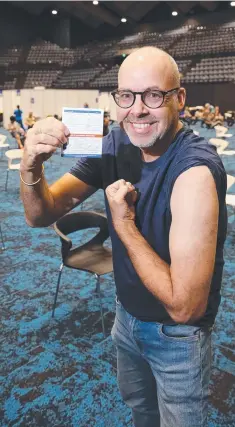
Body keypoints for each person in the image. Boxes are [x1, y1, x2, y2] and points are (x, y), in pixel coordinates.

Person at [20, 46, 227, 427]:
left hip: (176, 336)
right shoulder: (115, 143)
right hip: (126, 317)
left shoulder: (194, 172)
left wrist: (124, 223)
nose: (137, 110)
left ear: (179, 98)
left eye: (153, 95)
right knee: (141, 412)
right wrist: (31, 166)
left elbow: (186, 308)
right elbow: (40, 214)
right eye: (127, 96)